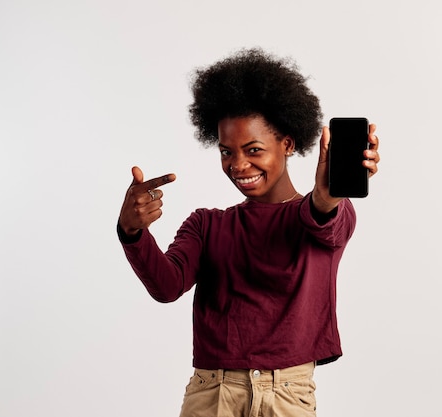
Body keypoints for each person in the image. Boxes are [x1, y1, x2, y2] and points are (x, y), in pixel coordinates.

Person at [117, 48, 380, 417]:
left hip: (288, 396)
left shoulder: (323, 215)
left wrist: (325, 196)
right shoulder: (207, 224)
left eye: (253, 149)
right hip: (213, 395)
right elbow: (166, 285)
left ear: (288, 144)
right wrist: (132, 231)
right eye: (227, 152)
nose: (238, 165)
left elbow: (323, 220)